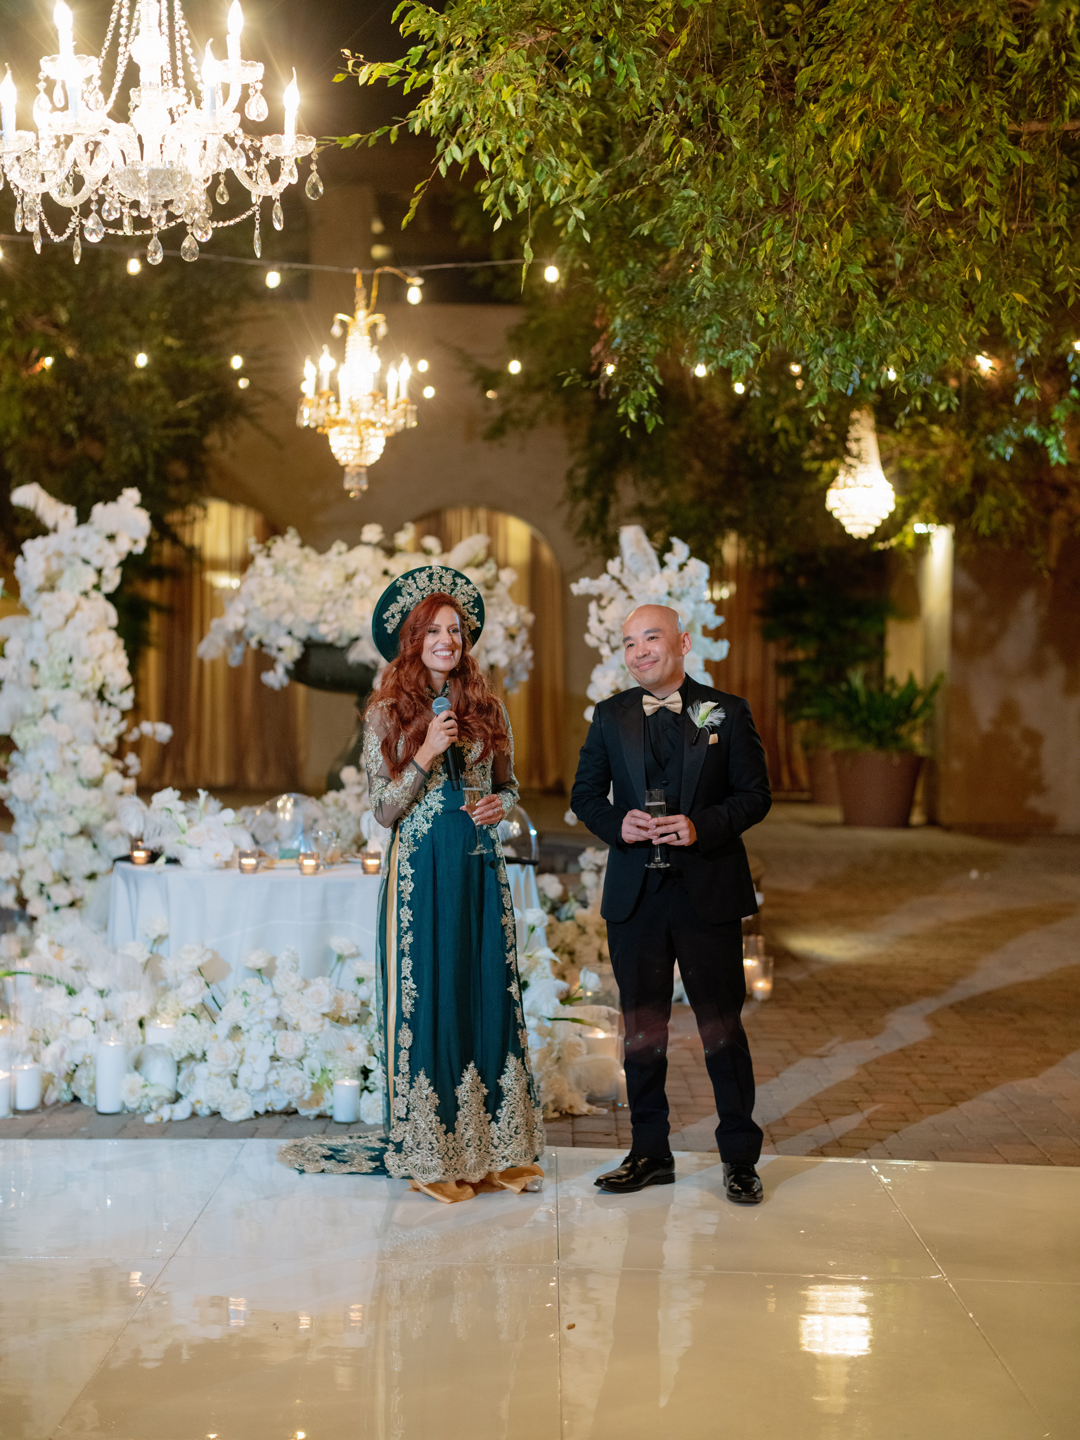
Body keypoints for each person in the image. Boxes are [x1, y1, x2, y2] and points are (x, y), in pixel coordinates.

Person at [281, 565, 544, 1203]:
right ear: (412, 640)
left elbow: (508, 786)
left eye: (455, 630)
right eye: (433, 631)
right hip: (421, 870)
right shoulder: (385, 714)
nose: (447, 640)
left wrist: (499, 807)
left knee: (485, 986)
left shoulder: (488, 707)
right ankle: (430, 1152)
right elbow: (384, 809)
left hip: (479, 864)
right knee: (431, 993)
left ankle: (494, 1149)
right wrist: (425, 753)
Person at [570, 604, 771, 1202]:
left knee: (721, 1029)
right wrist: (617, 824)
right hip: (637, 898)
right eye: (628, 643)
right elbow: (585, 795)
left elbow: (755, 796)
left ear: (682, 642)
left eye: (650, 638)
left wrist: (701, 826)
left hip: (707, 893)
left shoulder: (726, 712)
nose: (639, 652)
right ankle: (649, 1153)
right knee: (641, 1031)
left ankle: (739, 1158)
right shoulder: (610, 717)